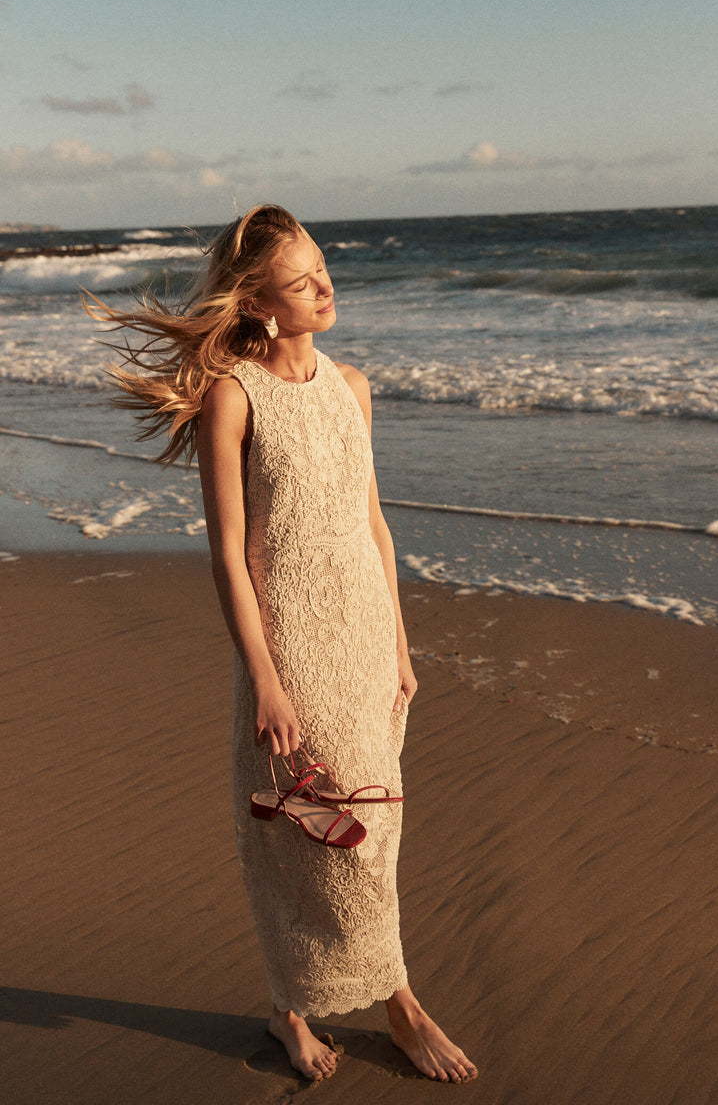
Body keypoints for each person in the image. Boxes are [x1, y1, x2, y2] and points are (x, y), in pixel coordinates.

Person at [83, 205, 477, 1084]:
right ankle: (313, 1006)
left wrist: (403, 645)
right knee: (303, 829)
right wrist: (263, 676)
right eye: (302, 281)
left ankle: (381, 996)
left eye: (325, 269)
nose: (325, 287)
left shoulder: (355, 388)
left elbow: (375, 526)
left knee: (375, 823)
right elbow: (227, 550)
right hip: (292, 638)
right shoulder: (235, 395)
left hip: (365, 634)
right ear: (259, 299)